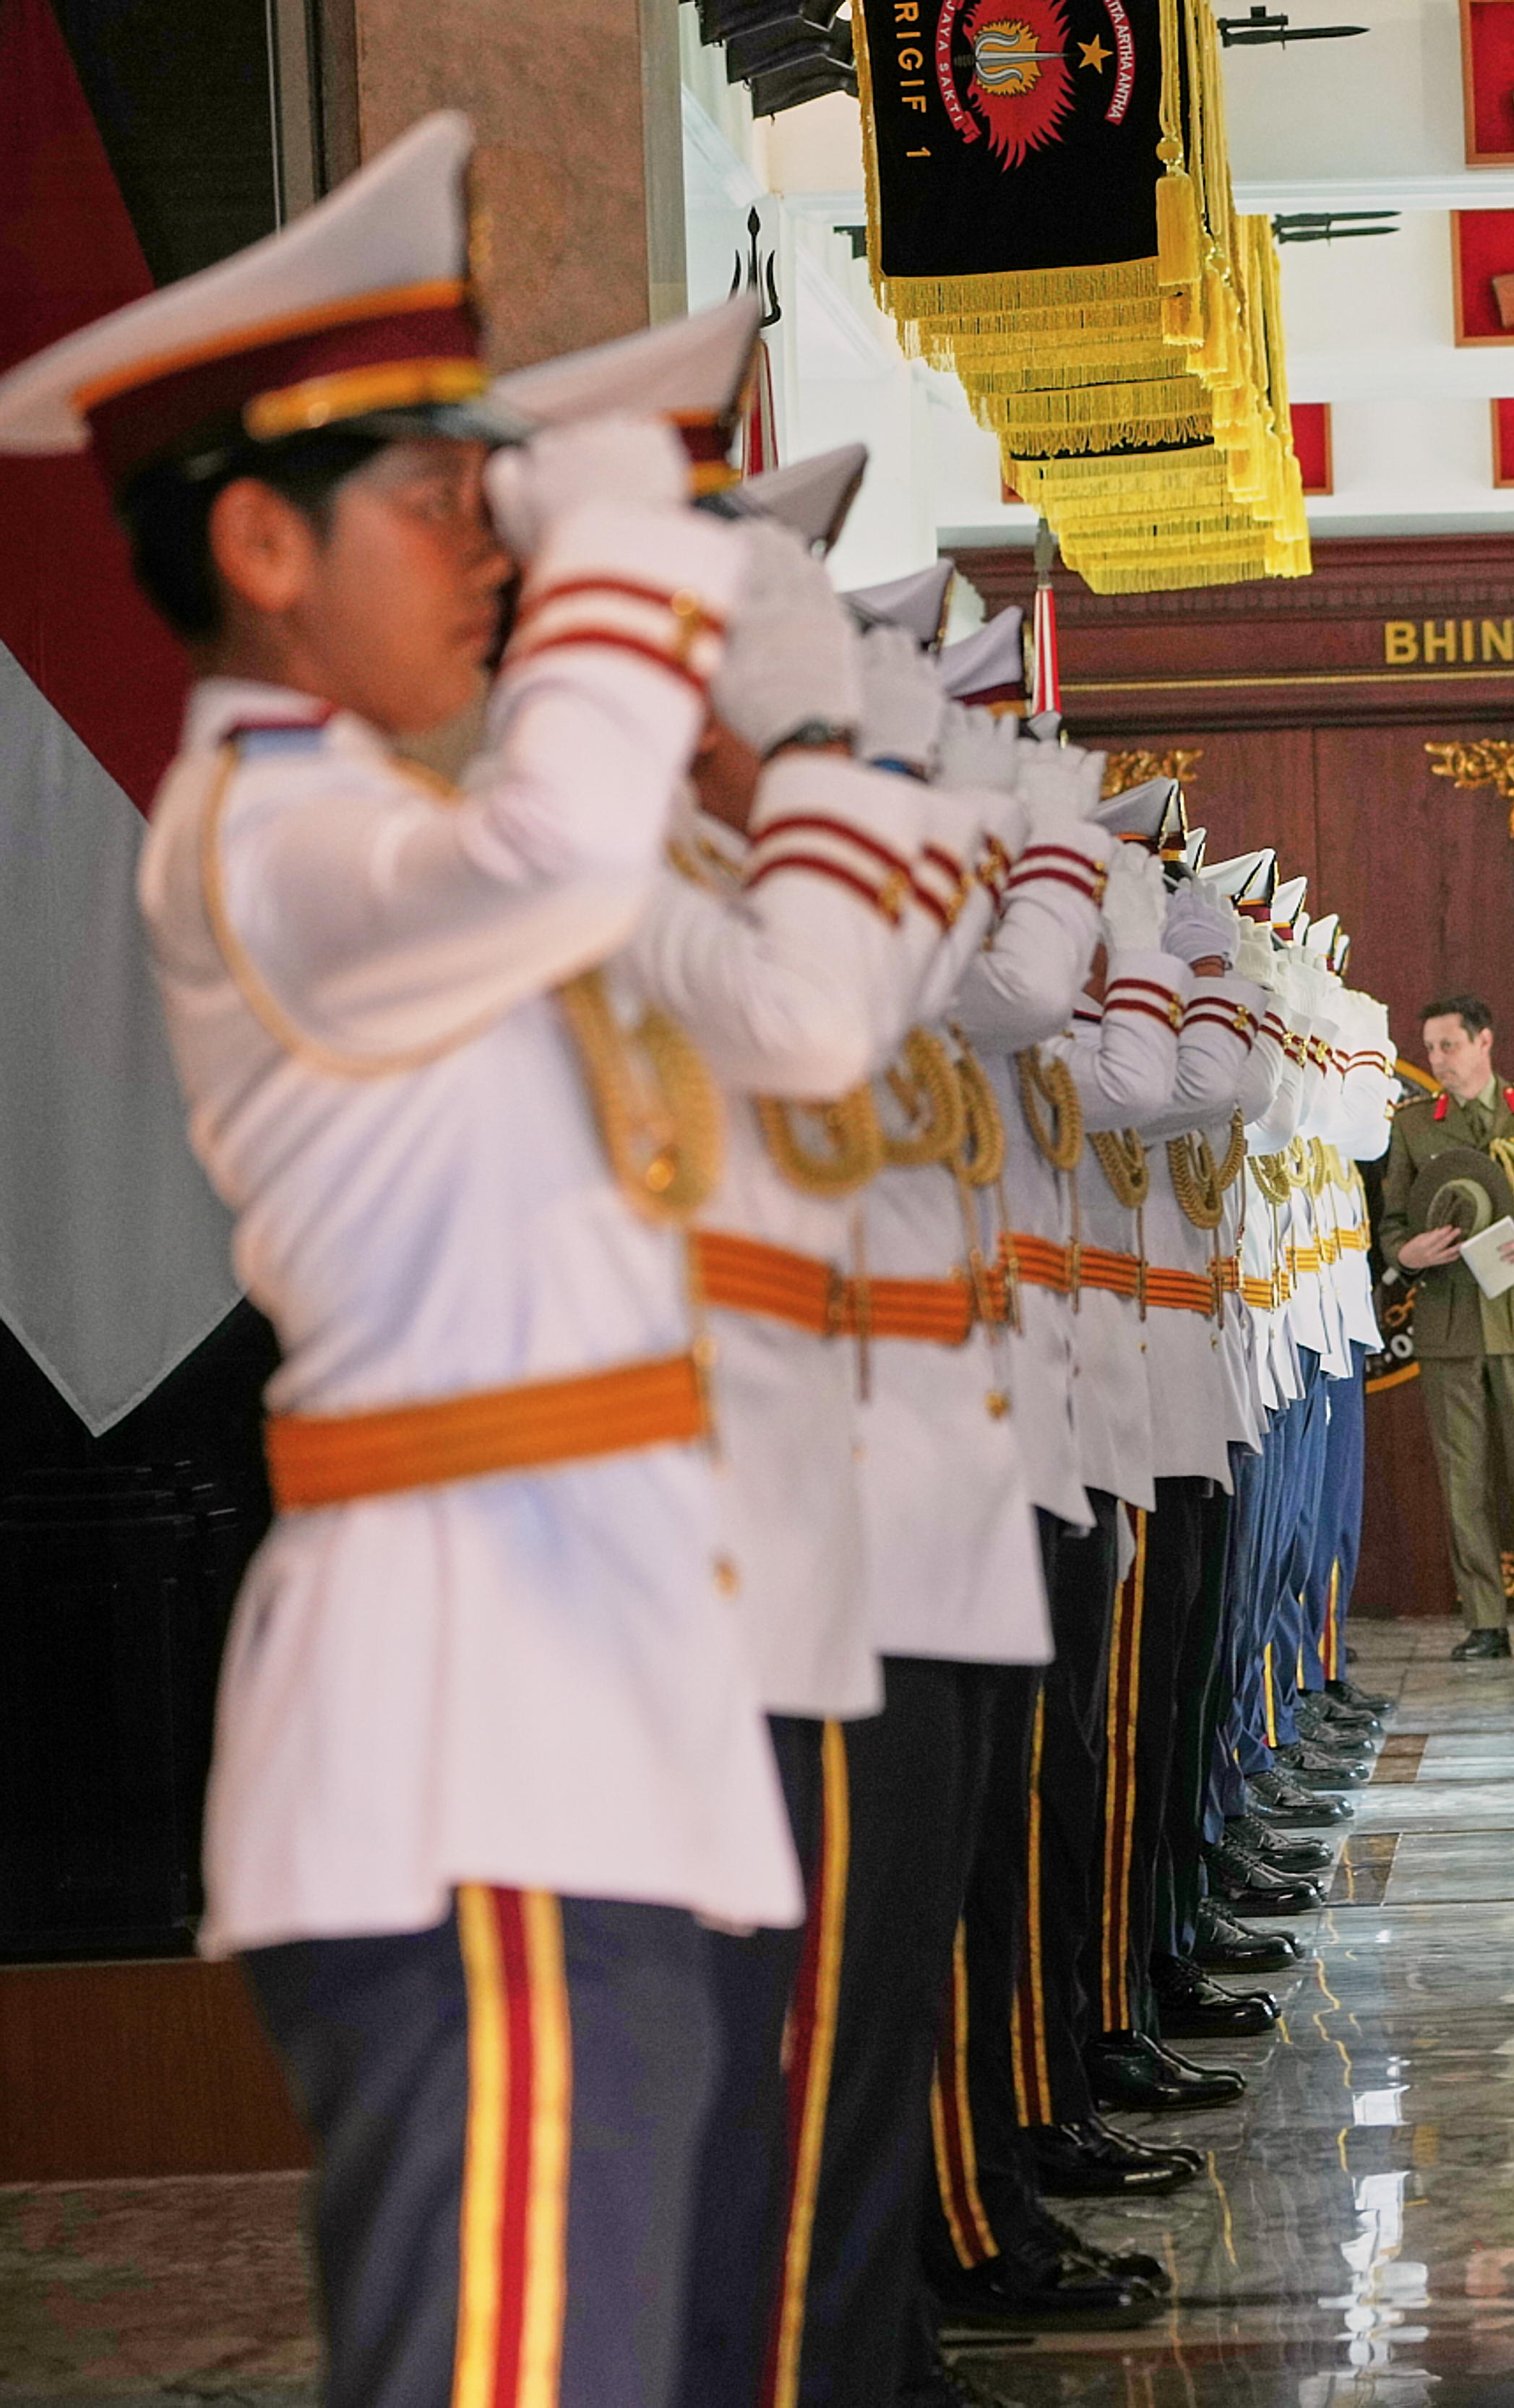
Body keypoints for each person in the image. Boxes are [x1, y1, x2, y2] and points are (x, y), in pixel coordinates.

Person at [0, 114, 798, 2408]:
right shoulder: (271, 833)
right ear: (262, 543)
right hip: (478, 1744)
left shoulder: (379, 830)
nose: (491, 547)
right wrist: (628, 529)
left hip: (568, 1711)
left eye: (495, 501)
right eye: (440, 501)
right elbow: (565, 855)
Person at [1381, 994, 1514, 1659]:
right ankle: (1484, 1622)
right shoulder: (1413, 1125)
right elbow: (1392, 1224)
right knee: (1463, 1475)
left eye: (1448, 1045)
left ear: (1484, 1042)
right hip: (1449, 1318)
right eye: (1429, 1048)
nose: (1437, 1060)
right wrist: (1408, 1253)